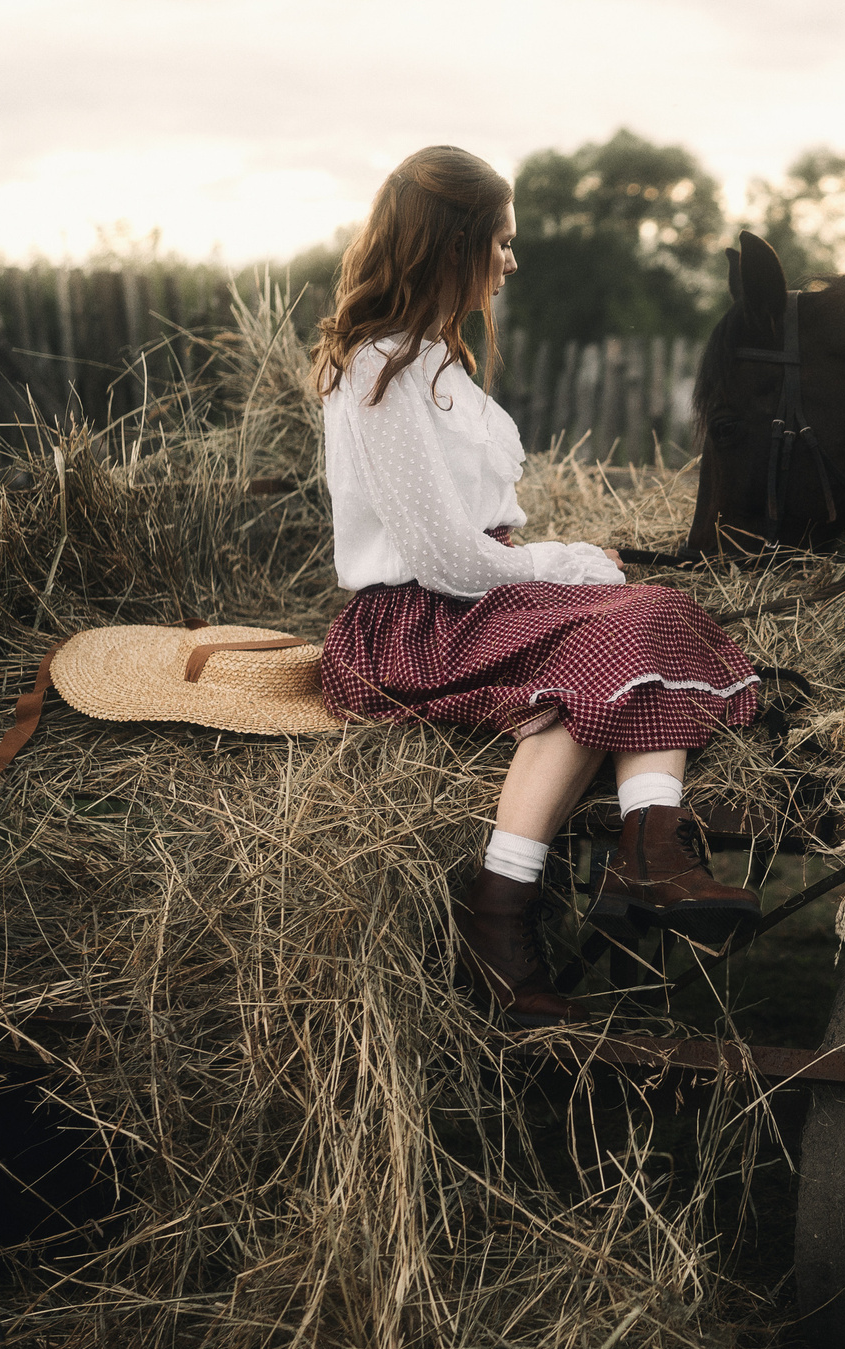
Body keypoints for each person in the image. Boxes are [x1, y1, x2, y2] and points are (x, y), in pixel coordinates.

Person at [311, 145, 761, 1026]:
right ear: (453, 245)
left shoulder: (436, 363)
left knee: (655, 611)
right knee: (609, 637)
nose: (513, 261)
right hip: (418, 622)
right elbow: (443, 558)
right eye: (502, 242)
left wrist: (563, 561)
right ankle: (499, 914)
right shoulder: (376, 370)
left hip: (476, 600)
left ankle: (650, 847)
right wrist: (561, 562)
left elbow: (476, 544)